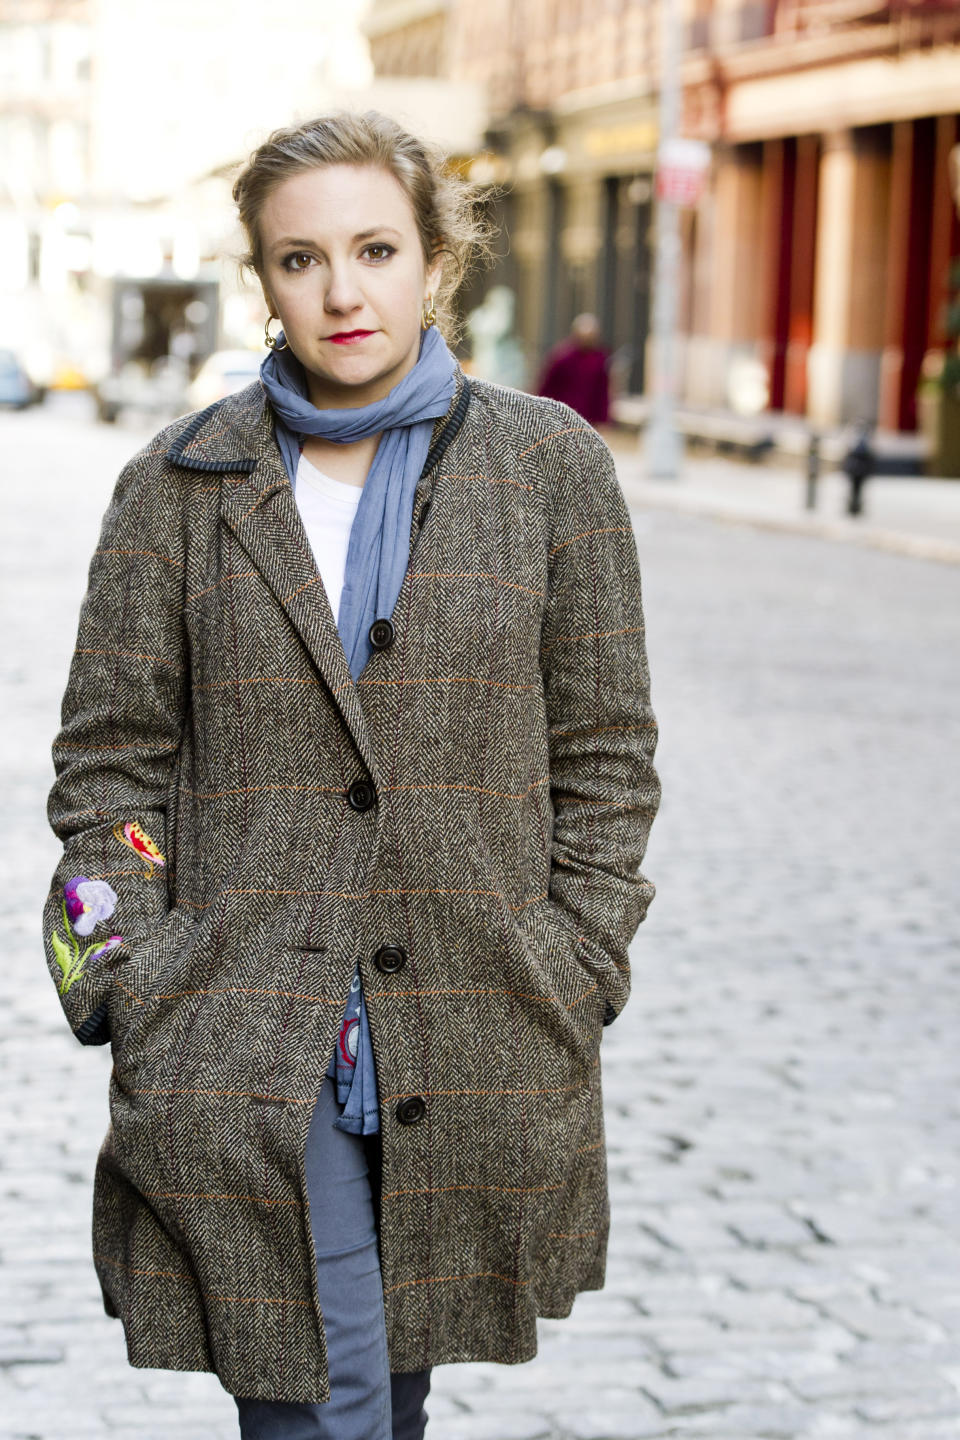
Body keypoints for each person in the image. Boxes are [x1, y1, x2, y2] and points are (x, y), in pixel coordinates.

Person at [42, 111, 660, 1439]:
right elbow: (107, 774)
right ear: (261, 278)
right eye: (300, 259)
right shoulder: (177, 484)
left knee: (389, 1393)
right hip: (248, 1030)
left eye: (374, 249)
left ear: (436, 258)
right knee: (321, 1405)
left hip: (471, 1011)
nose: (342, 290)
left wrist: (578, 954)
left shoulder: (549, 470)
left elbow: (608, 756)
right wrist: (123, 984)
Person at [537, 312, 611, 426]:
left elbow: (602, 390)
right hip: (562, 413)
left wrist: (603, 417)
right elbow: (548, 386)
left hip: (589, 416)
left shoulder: (599, 358)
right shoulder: (562, 356)